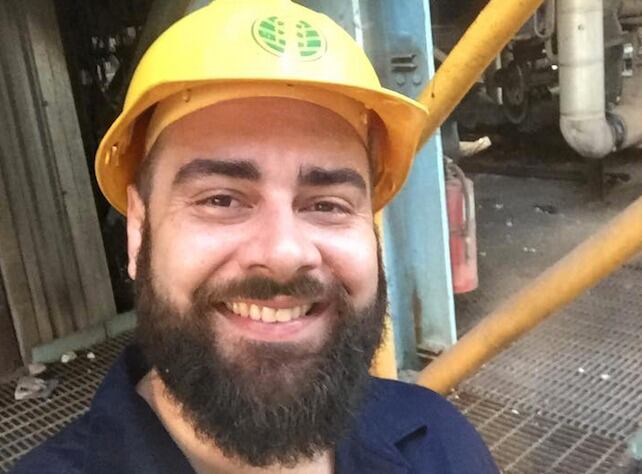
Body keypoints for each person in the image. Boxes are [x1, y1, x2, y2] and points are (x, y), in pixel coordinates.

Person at [11, 0, 499, 472]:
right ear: (139, 230)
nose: (284, 253)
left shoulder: (441, 445)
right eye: (221, 200)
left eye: (327, 205)